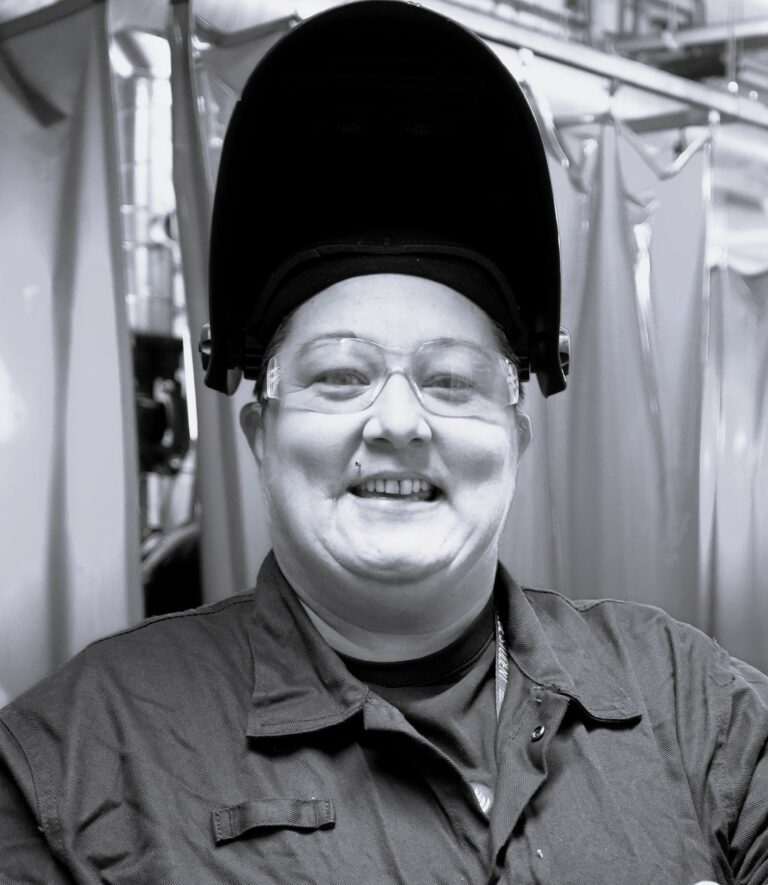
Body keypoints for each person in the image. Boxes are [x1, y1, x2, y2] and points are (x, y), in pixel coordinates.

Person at [1, 2, 766, 883]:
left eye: (451, 380)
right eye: (339, 374)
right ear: (260, 430)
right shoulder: (76, 768)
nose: (400, 422)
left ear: (516, 436)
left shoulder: (690, 703)